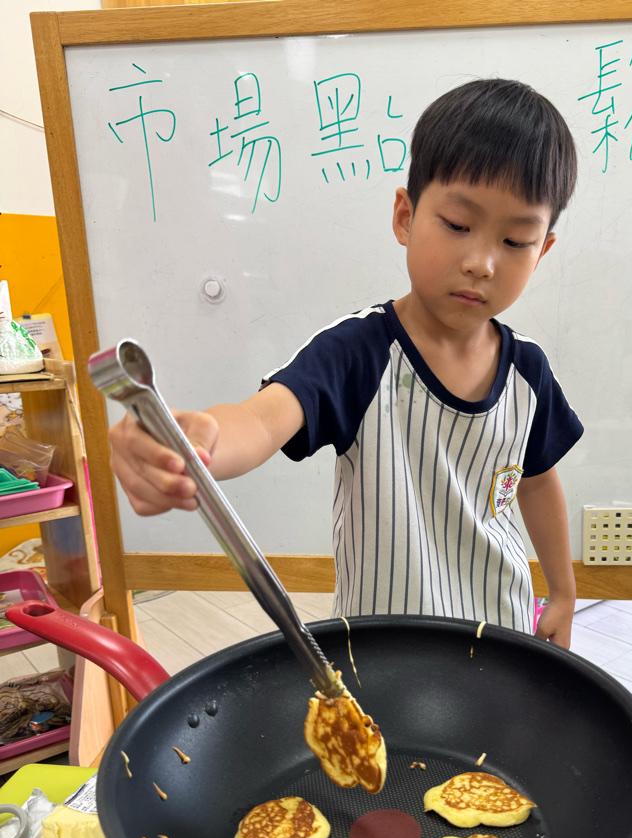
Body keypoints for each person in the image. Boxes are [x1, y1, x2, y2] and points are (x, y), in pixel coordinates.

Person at [109, 78, 583, 647]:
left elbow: (537, 479)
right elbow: (260, 419)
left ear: (543, 250)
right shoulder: (357, 351)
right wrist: (199, 440)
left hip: (500, 632)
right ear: (405, 216)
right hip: (378, 644)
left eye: (515, 241)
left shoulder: (529, 370)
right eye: (458, 225)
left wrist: (562, 591)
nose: (481, 262)